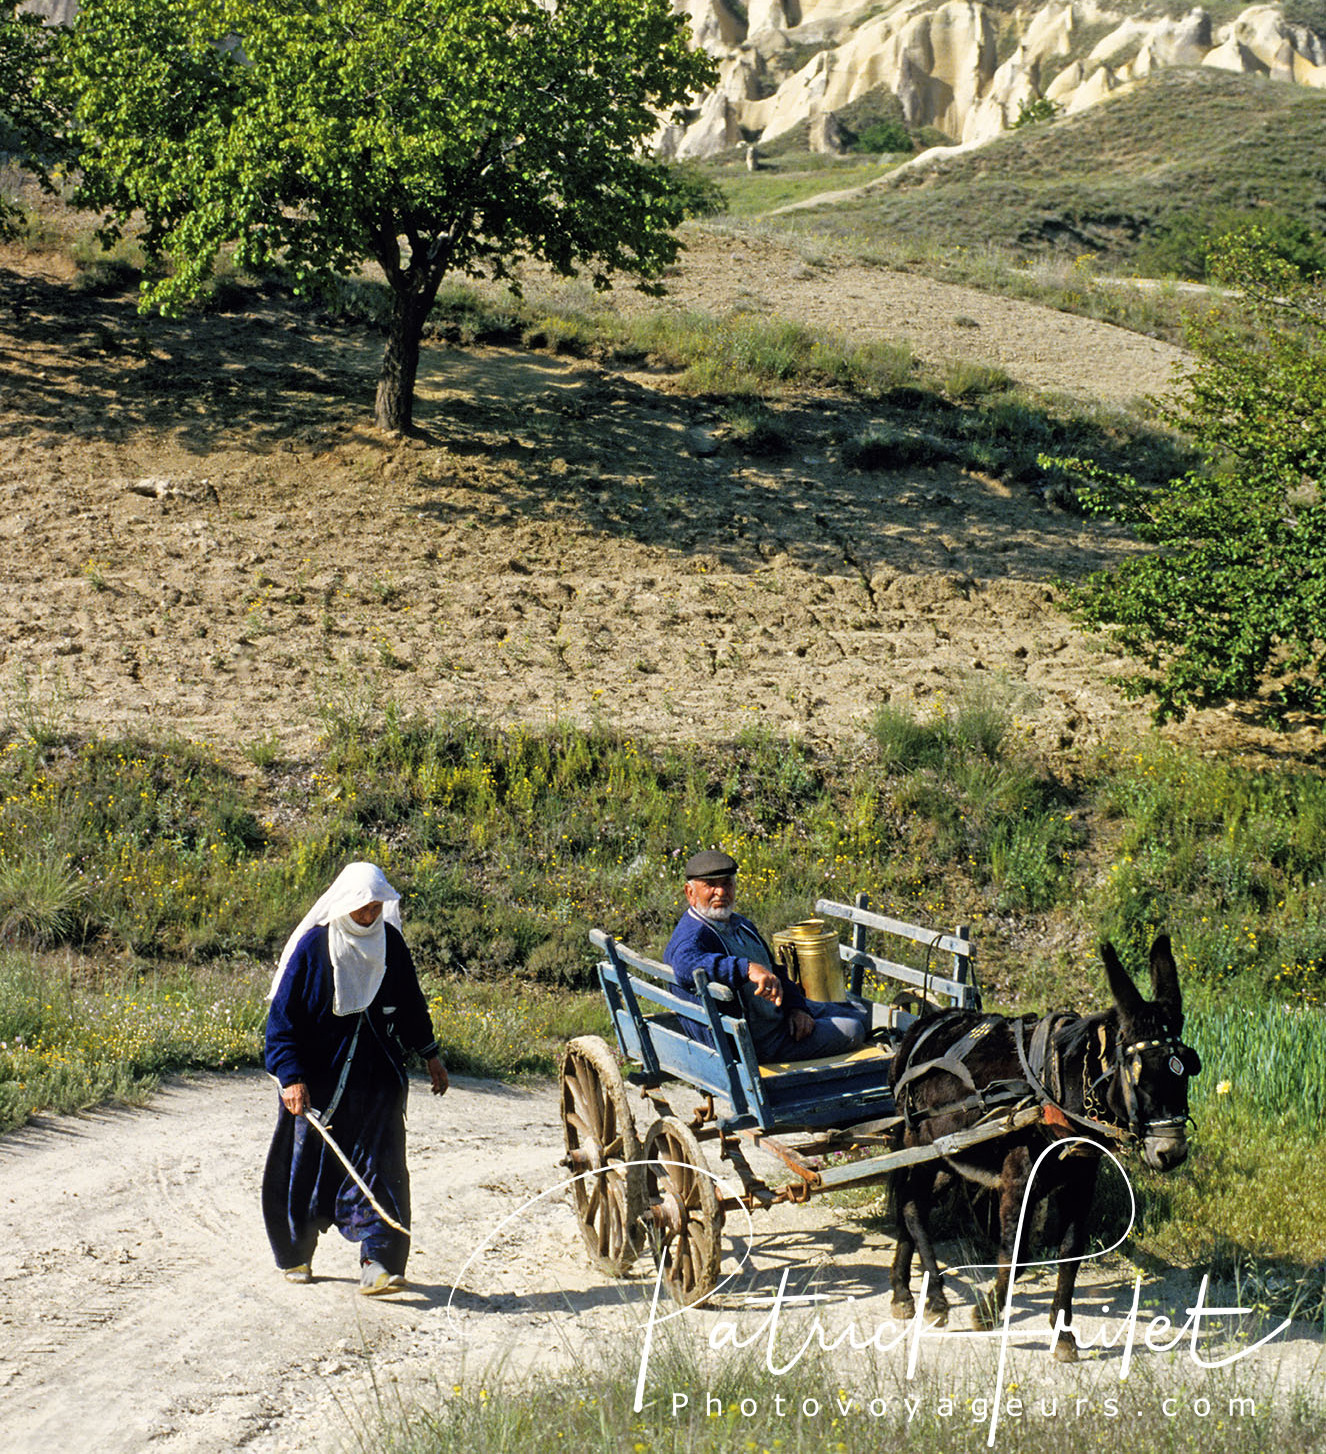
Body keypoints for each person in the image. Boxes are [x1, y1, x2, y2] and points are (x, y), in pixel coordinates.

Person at [262, 861, 448, 1295]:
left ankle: (379, 1263)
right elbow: (282, 1022)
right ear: (346, 903)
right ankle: (296, 1254)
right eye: (362, 906)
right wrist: (291, 1077)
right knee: (304, 1167)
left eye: (376, 905)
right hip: (316, 1083)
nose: (369, 914)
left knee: (382, 1169)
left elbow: (411, 1006)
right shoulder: (313, 948)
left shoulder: (391, 946)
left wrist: (431, 1055)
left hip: (376, 1083)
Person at [664, 849, 870, 1062]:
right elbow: (685, 963)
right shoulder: (694, 934)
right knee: (853, 1028)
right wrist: (746, 968)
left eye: (726, 883)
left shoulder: (740, 924)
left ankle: (805, 1014)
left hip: (779, 1016)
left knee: (861, 1013)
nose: (721, 892)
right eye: (710, 885)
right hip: (759, 1041)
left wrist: (796, 1008)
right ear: (690, 892)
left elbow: (775, 969)